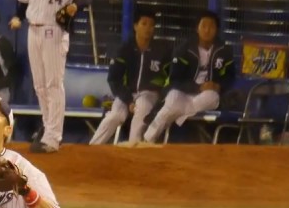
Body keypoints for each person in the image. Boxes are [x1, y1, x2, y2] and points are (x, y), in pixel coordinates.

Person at [9, 0, 93, 153]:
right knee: (39, 85)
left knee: (53, 84)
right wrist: (17, 17)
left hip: (54, 29)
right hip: (33, 30)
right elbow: (22, 3)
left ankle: (54, 136)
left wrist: (75, 5)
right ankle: (48, 130)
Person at [142, 10, 236, 143]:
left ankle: (148, 137)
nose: (207, 30)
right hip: (184, 92)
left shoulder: (225, 50)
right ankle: (148, 139)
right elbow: (175, 80)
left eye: (211, 27)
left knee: (212, 97)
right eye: (204, 26)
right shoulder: (184, 49)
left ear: (217, 30)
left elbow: (230, 77)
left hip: (205, 97)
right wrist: (198, 87)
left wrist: (218, 86)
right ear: (197, 28)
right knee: (173, 98)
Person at [89, 8, 172, 145]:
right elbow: (114, 79)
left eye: (151, 25)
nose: (148, 28)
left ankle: (134, 149)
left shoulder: (162, 51)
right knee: (114, 116)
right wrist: (128, 100)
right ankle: (92, 148)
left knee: (141, 110)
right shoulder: (124, 50)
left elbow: (171, 78)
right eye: (144, 24)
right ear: (135, 26)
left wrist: (162, 96)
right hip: (126, 94)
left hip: (150, 94)